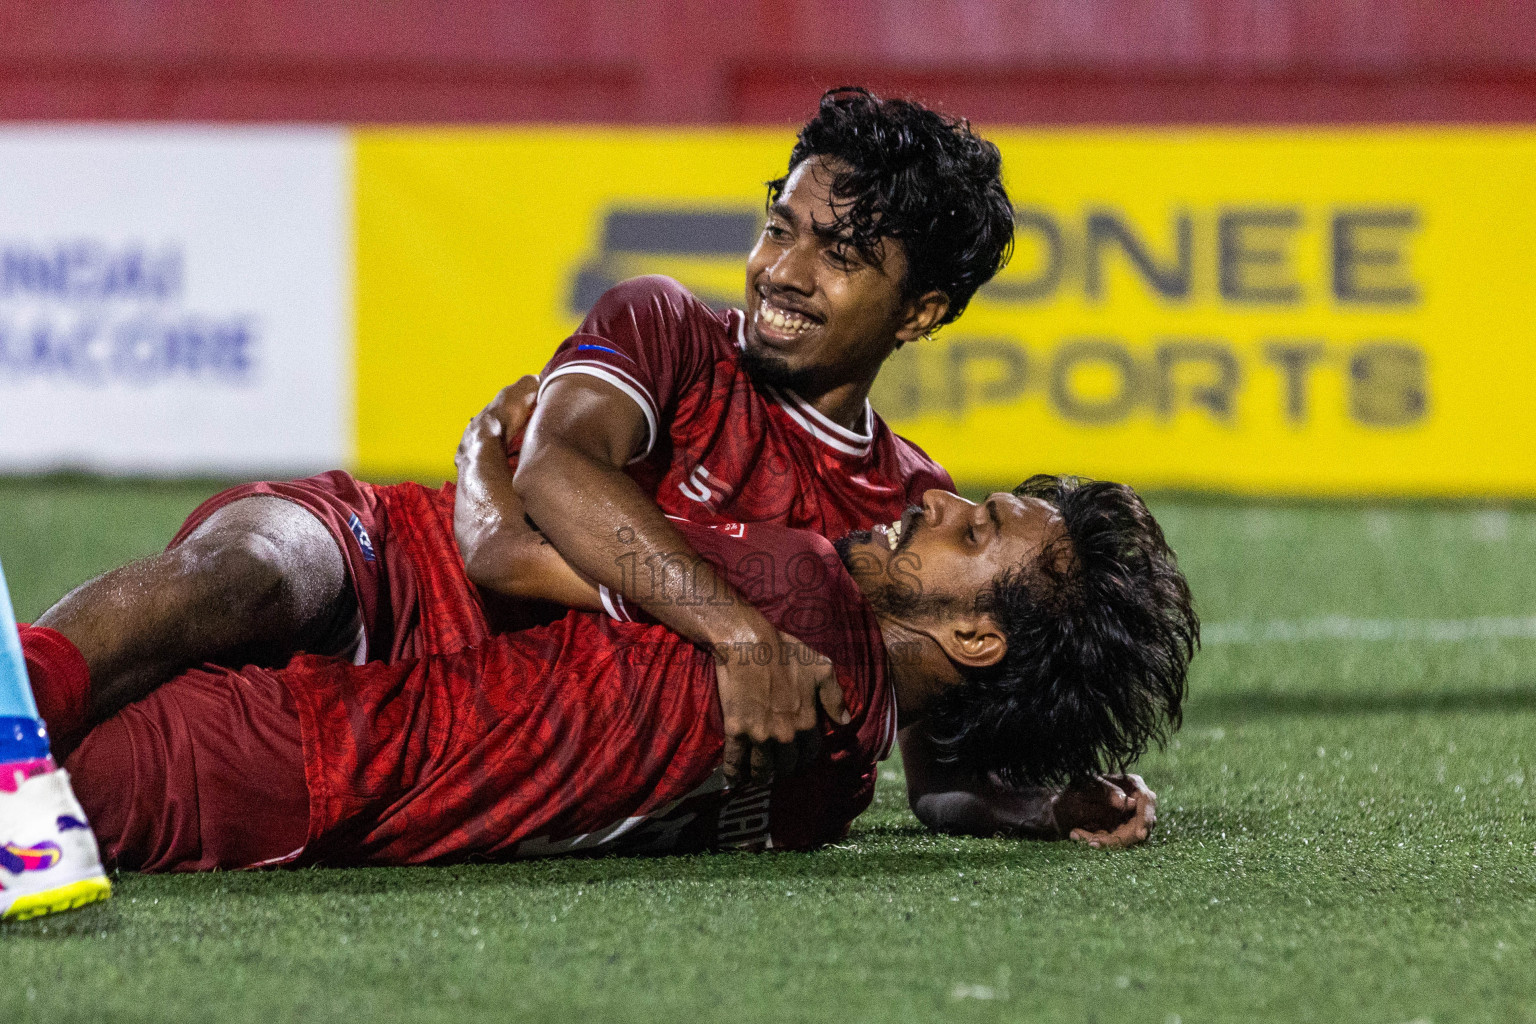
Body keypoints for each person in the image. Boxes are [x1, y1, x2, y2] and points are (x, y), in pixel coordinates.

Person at [28, 87, 1017, 792]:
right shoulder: (665, 323)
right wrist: (741, 634)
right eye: (779, 225)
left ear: (921, 310)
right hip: (399, 565)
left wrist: (1025, 800)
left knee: (149, 751)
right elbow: (555, 468)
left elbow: (929, 748)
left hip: (474, 730)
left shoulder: (911, 506)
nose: (781, 271)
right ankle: (8, 723)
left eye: (837, 253)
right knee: (259, 567)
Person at [21, 473, 1197, 871]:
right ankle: (22, 696)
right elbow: (518, 524)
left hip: (356, 748)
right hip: (403, 573)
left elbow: (525, 523)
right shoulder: (823, 734)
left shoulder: (819, 665)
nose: (937, 499)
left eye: (977, 528)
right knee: (267, 561)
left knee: (96, 778)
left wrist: (1003, 796)